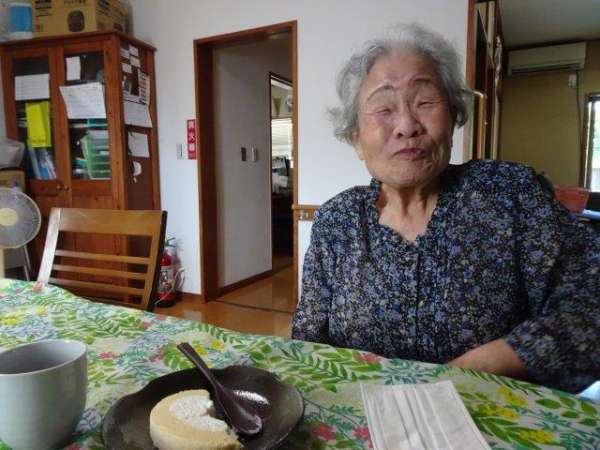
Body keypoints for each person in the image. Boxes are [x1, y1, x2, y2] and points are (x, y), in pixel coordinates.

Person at [291, 23, 599, 393]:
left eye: (424, 102)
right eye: (383, 108)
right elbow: (307, 342)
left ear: (453, 117)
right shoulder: (337, 221)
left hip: (489, 413)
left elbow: (590, 307)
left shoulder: (511, 195)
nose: (407, 125)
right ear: (356, 139)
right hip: (363, 413)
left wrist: (487, 363)